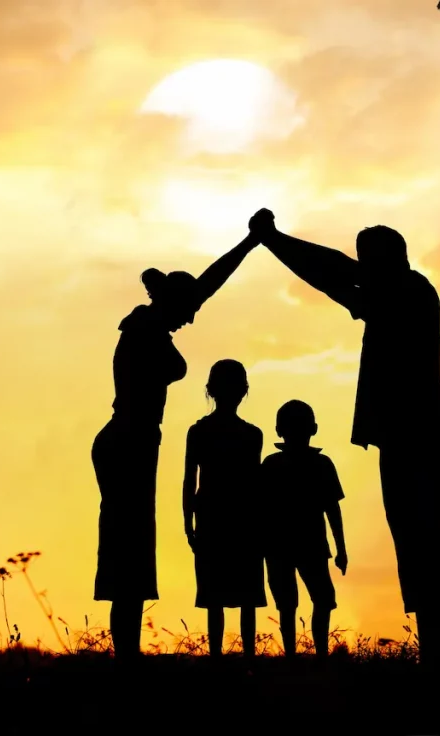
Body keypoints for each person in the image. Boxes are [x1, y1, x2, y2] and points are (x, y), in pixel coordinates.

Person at [248, 209, 440, 666]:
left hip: (418, 430)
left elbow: (335, 274)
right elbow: (336, 275)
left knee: (425, 538)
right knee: (412, 537)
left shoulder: (408, 291)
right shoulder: (398, 290)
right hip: (404, 431)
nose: (362, 268)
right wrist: (277, 242)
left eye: (369, 260)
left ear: (390, 260)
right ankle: (431, 653)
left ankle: (433, 656)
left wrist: (275, 240)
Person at [92, 232, 260, 659]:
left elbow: (203, 287)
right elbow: (177, 358)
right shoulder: (148, 330)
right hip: (129, 439)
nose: (190, 321)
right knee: (127, 548)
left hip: (132, 438)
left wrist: (248, 243)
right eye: (187, 312)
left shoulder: (148, 324)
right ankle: (126, 656)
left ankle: (126, 653)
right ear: (171, 303)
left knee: (130, 546)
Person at [183, 359, 266, 657]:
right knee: (245, 595)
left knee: (216, 594)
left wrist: (187, 522)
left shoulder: (199, 431)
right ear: (243, 391)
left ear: (210, 390)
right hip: (241, 519)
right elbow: (256, 484)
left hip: (213, 517)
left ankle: (217, 657)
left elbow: (189, 481)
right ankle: (247, 658)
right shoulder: (252, 434)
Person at [261, 399, 347, 658]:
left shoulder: (277, 465)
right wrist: (341, 549)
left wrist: (341, 549)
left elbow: (332, 508)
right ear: (315, 428)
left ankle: (303, 656)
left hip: (292, 547)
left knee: (305, 602)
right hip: (297, 546)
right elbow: (333, 509)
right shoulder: (314, 464)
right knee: (300, 603)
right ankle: (312, 655)